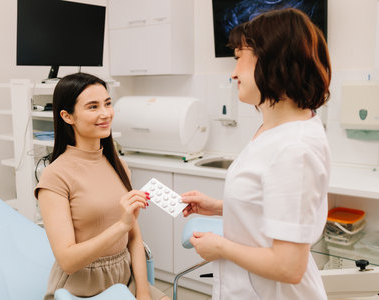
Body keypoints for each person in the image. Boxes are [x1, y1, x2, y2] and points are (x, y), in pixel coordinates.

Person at [181, 8, 331, 300]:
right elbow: (273, 201)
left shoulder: (294, 148)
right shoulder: (275, 127)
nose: (234, 72)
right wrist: (222, 206)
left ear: (271, 59)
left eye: (239, 58)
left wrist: (219, 246)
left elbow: (289, 267)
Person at [35, 72, 168, 300]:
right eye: (93, 107)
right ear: (67, 116)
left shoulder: (119, 165)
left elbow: (134, 237)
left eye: (107, 103)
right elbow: (68, 261)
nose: (105, 114)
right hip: (81, 287)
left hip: (125, 277)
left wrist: (143, 292)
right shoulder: (55, 177)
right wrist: (121, 225)